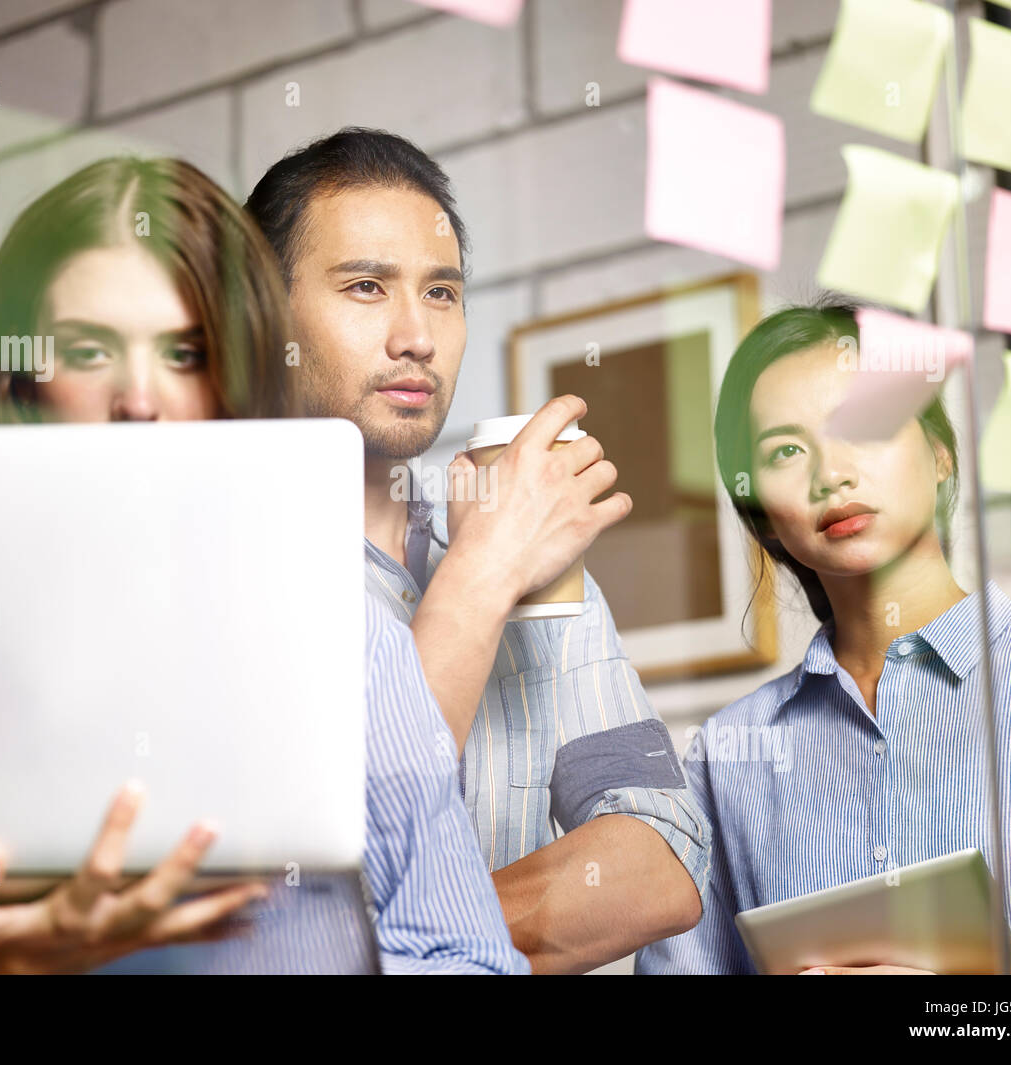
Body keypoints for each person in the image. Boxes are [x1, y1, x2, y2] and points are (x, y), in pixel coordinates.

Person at [0, 156, 528, 974]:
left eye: (185, 353)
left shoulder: (345, 636)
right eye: (87, 348)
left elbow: (471, 956)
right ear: (20, 376)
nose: (138, 400)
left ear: (236, 372)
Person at [245, 128, 709, 973]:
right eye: (364, 286)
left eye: (443, 292)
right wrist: (486, 569)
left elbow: (662, 858)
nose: (416, 335)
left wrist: (413, 935)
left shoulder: (536, 563)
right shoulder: (226, 574)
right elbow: (304, 885)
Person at [635, 301, 1011, 975]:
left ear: (940, 452)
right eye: (786, 450)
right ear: (761, 514)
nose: (832, 473)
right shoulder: (725, 759)